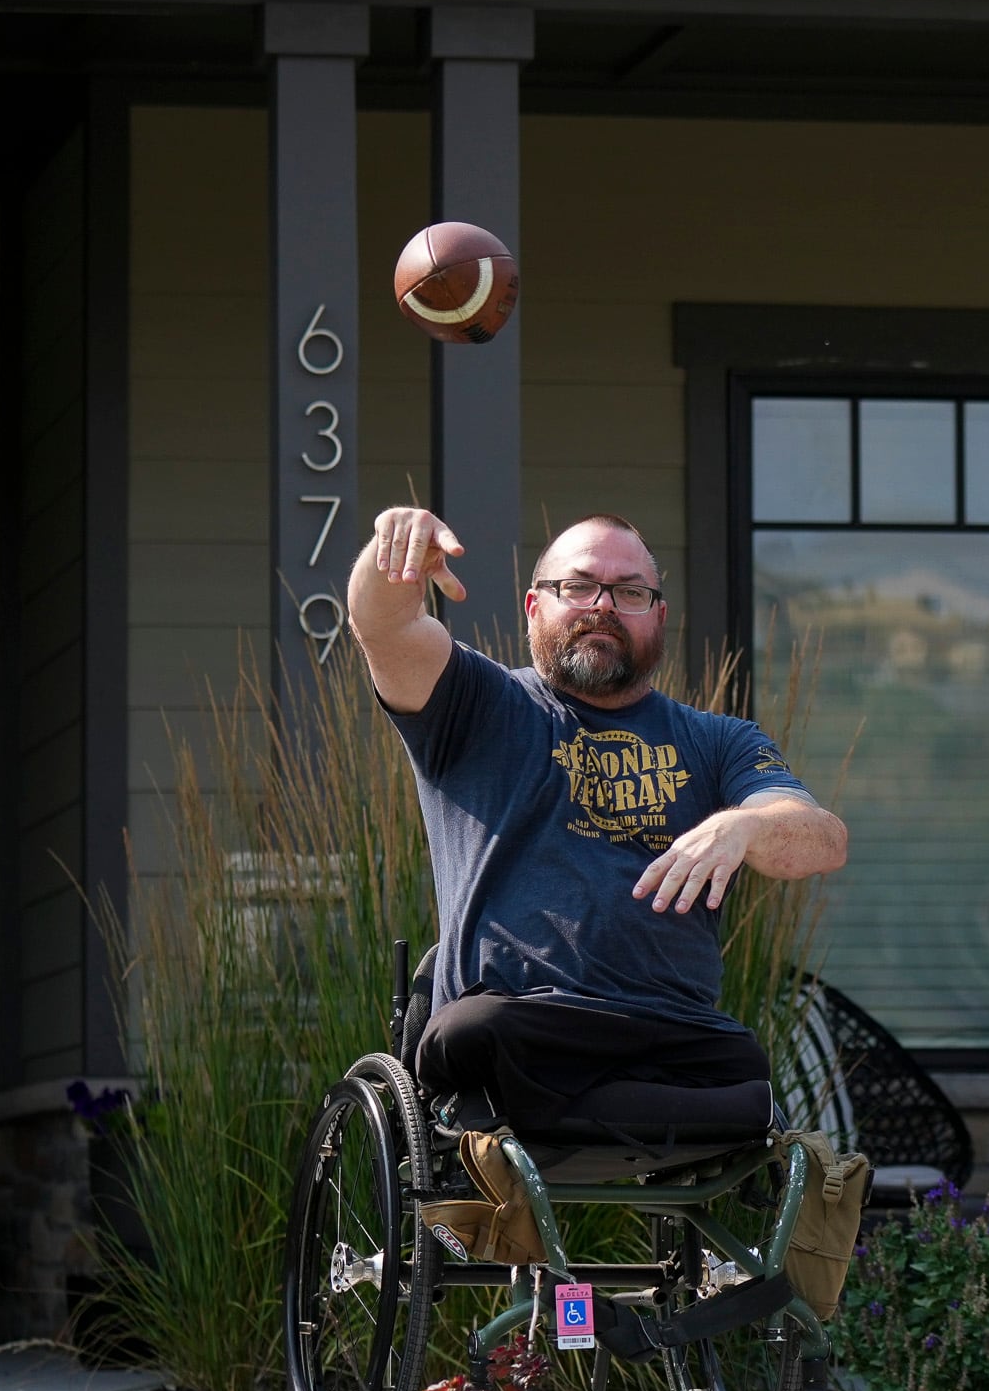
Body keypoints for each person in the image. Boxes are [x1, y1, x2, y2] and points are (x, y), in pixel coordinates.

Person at [350, 506, 846, 1251]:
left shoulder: (717, 742)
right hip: (519, 1028)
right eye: (579, 587)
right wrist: (392, 561)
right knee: (479, 1031)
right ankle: (499, 1173)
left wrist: (744, 825)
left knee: (743, 1065)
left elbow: (821, 839)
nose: (603, 606)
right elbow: (385, 629)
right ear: (534, 605)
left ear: (659, 614)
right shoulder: (478, 705)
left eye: (629, 591)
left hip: (667, 1037)